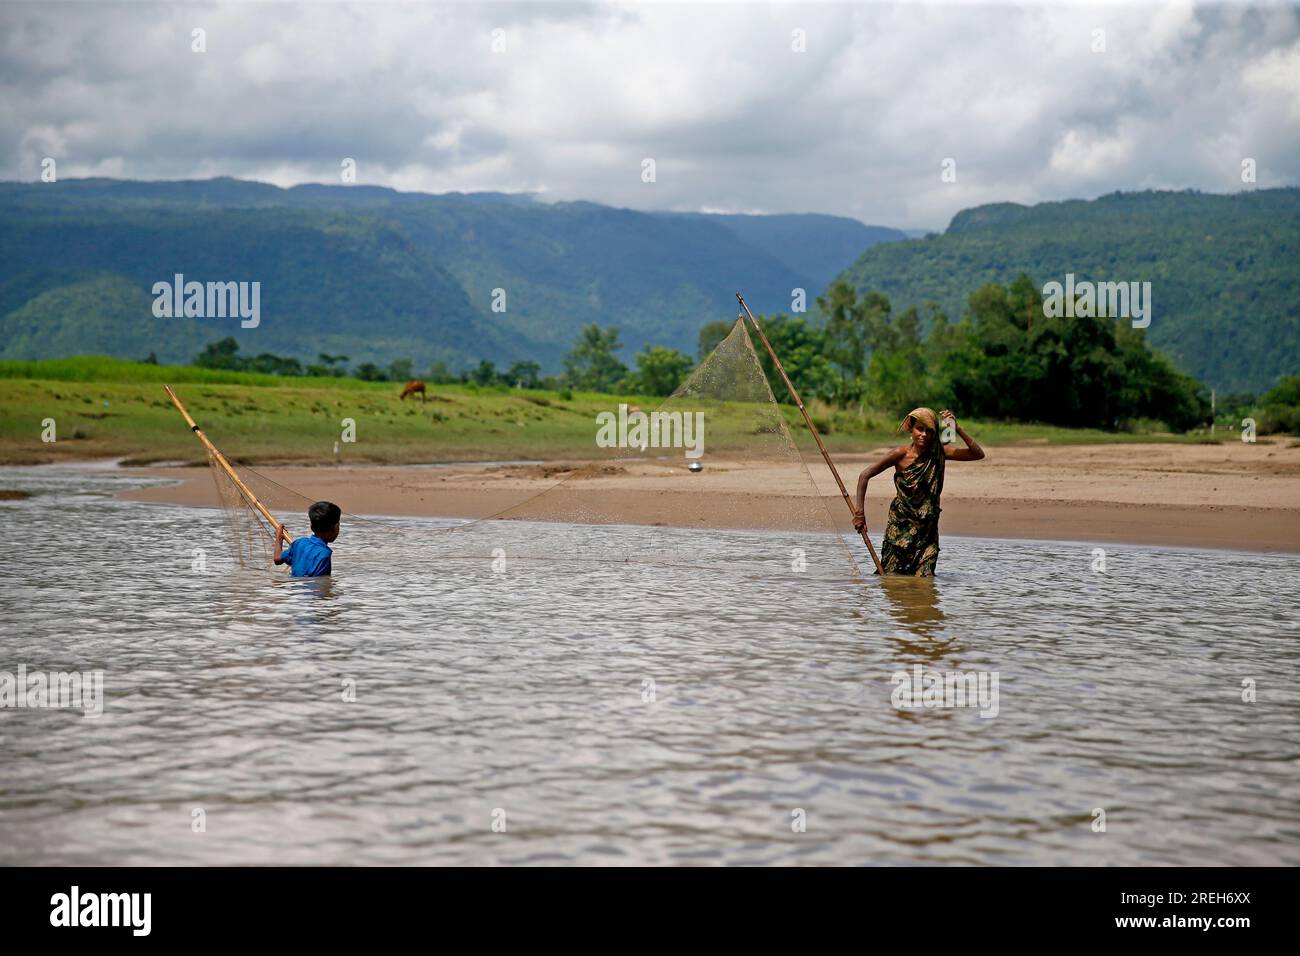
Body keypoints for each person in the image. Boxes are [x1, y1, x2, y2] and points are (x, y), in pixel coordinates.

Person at [851, 408, 984, 576]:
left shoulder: (939, 452)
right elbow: (865, 476)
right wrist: (859, 514)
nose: (924, 435)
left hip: (927, 532)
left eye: (929, 431)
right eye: (920, 429)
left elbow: (977, 454)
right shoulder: (900, 454)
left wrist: (957, 428)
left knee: (926, 581)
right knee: (891, 579)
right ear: (911, 430)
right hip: (900, 528)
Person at [274, 501, 341, 577]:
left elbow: (277, 559)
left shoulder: (299, 543)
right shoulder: (324, 555)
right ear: (334, 528)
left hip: (293, 587)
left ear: (311, 526)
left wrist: (279, 538)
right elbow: (319, 585)